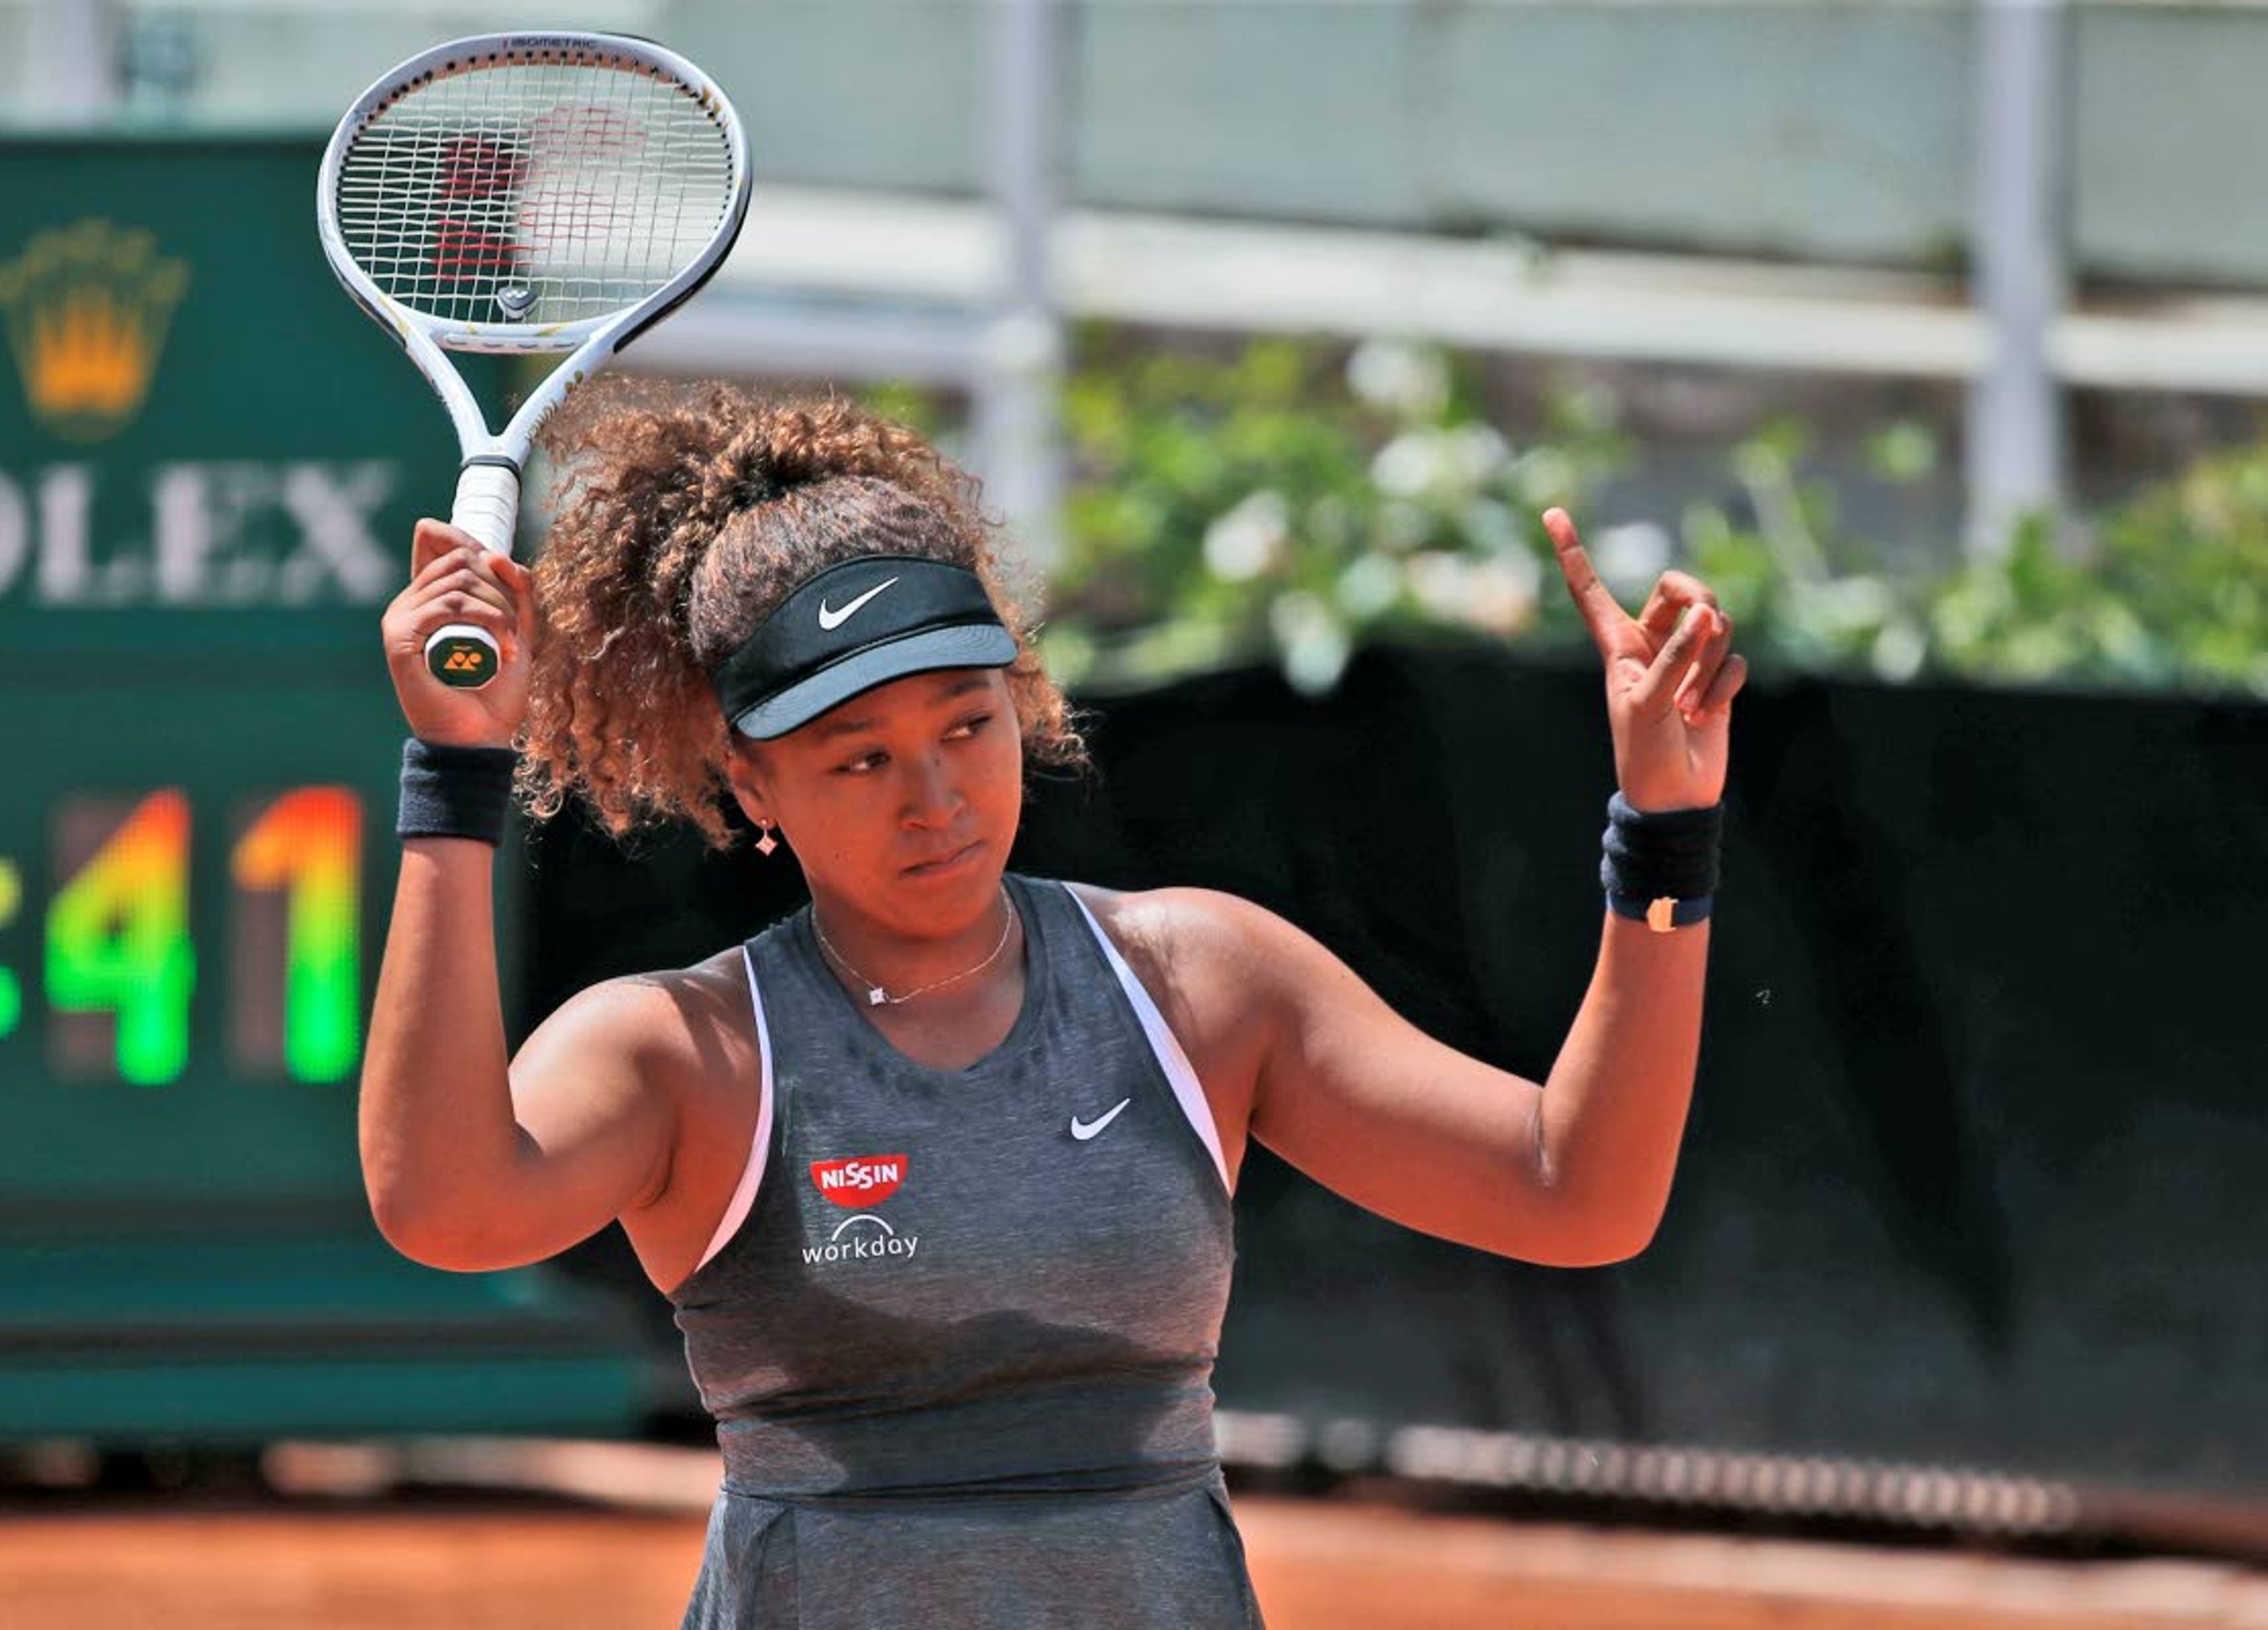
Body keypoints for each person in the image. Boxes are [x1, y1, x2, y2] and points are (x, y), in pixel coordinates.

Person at [359, 379, 1745, 1629]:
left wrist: (1664, 835)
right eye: (860, 760)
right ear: (746, 782)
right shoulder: (687, 1052)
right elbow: (447, 1203)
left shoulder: (1201, 983)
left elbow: (1579, 1190)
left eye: (968, 722)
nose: (937, 795)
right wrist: (454, 782)